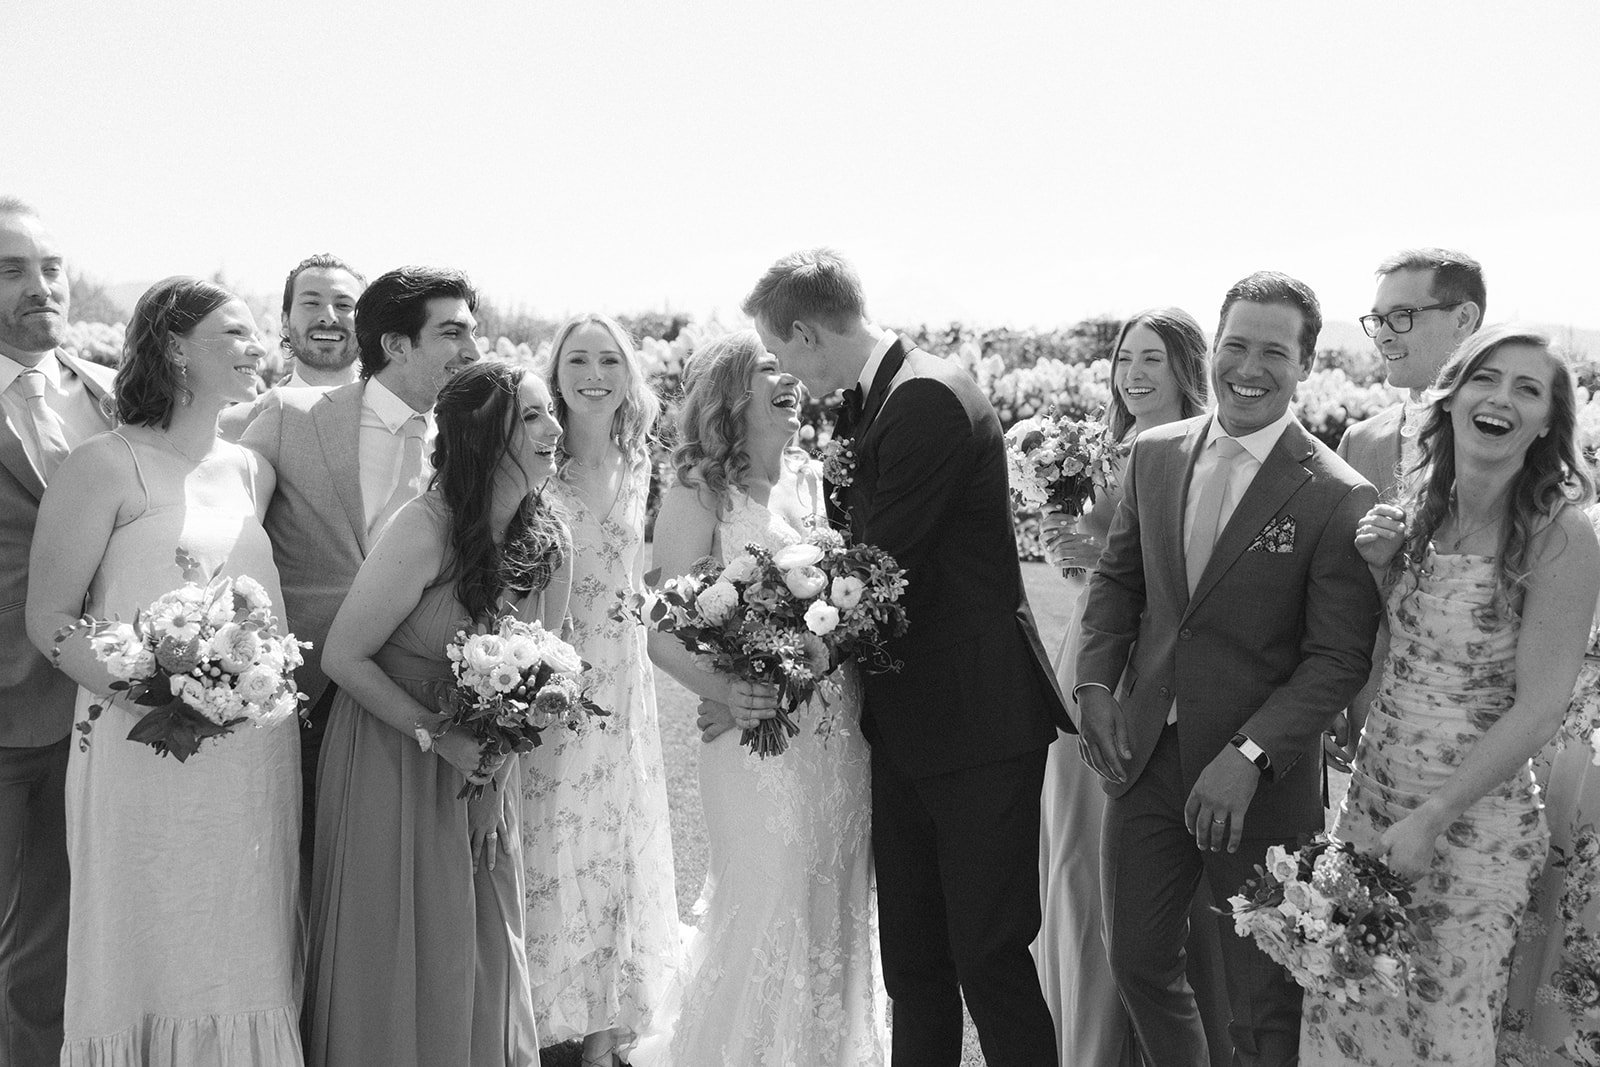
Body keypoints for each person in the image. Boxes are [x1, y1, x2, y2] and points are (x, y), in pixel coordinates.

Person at [745, 249, 1070, 1066]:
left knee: (989, 956)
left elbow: (878, 569)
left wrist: (782, 663)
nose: (787, 372)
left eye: (782, 352)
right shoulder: (886, 395)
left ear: (807, 332)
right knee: (915, 964)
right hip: (908, 724)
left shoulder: (926, 397)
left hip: (975, 722)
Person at [1075, 271, 1382, 1065]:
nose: (1249, 366)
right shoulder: (1154, 454)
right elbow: (1118, 582)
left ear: (1306, 364)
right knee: (1137, 959)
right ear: (1212, 346)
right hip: (1147, 756)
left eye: (1274, 351)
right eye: (1235, 344)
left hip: (1257, 783)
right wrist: (1096, 683)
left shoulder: (1338, 494)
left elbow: (1337, 659)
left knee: (1263, 1001)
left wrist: (1249, 755)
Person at [1303, 324, 1599, 1064]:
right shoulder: (1419, 511)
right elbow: (1411, 647)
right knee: (1344, 1016)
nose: (1501, 398)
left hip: (1472, 828)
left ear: (1547, 423)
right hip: (1374, 802)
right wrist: (1381, 568)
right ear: (1453, 396)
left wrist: (1435, 815)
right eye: (1485, 379)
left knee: (1441, 1037)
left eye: (1527, 389)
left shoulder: (1562, 536)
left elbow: (1541, 708)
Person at [26, 276, 303, 1063]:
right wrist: (161, 694)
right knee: (148, 929)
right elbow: (50, 619)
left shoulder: (251, 472)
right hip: (141, 744)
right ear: (176, 348)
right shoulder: (102, 465)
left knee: (244, 935)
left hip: (252, 755)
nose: (258, 347)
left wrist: (240, 689)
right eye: (236, 333)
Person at [630, 329, 886, 1067]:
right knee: (770, 890)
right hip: (753, 740)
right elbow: (661, 626)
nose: (791, 379)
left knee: (834, 892)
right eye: (769, 367)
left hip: (837, 732)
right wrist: (730, 691)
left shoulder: (815, 478)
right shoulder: (699, 489)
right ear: (730, 392)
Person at [303, 358, 562, 1066]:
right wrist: (439, 736)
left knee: (480, 940)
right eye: (531, 416)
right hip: (391, 754)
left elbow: (544, 676)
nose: (553, 427)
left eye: (549, 412)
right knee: (393, 943)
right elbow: (344, 656)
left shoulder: (549, 543)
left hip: (484, 766)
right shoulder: (423, 529)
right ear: (482, 437)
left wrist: (491, 780)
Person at [1034, 307, 1234, 1065]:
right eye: (1124, 358)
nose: (1134, 373)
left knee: (1150, 866)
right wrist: (1072, 552)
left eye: (1152, 358)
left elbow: (1192, 586)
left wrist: (1100, 558)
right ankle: (1086, 1033)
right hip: (1089, 661)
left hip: (1158, 677)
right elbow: (1102, 578)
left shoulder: (1206, 457)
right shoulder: (1105, 452)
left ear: (1187, 368)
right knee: (1077, 852)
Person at [241, 265, 479, 896]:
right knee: (298, 879)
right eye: (453, 333)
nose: (472, 350)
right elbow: (229, 531)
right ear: (396, 344)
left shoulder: (469, 440)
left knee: (392, 883)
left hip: (423, 697)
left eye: (472, 332)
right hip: (308, 690)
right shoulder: (290, 415)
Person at [519, 314, 679, 1066]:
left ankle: (605, 1027)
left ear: (628, 373)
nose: (593, 374)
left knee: (617, 839)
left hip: (625, 680)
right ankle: (540, 1012)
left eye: (609, 359)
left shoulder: (637, 459)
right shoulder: (534, 464)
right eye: (577, 360)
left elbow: (639, 575)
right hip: (554, 674)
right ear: (555, 374)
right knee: (556, 835)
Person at [0, 197, 114, 1064]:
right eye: (12, 270)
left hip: (104, 708)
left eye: (50, 267)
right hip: (7, 716)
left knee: (72, 938)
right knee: (22, 938)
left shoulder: (111, 393)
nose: (40, 286)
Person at [1330, 249, 1486, 766]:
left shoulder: (1507, 448)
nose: (1383, 336)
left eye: (1402, 316)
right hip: (1370, 720)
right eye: (1377, 320)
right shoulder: (1360, 442)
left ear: (1464, 318)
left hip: (1479, 730)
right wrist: (1329, 697)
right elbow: (1338, 591)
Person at [219, 254, 366, 441]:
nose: (328, 317)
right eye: (312, 303)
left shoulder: (395, 418)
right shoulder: (233, 428)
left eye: (343, 305)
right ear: (285, 321)